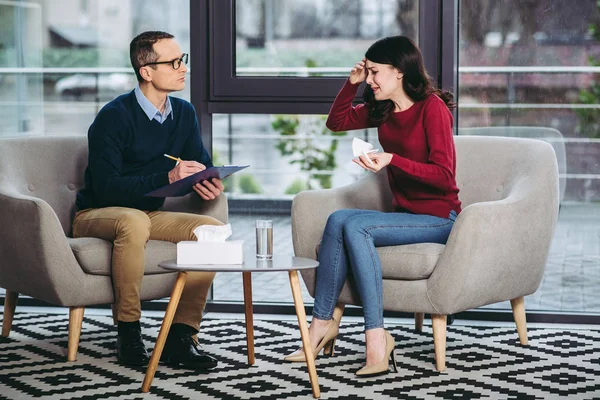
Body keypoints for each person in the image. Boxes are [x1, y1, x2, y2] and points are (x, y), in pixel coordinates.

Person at [285, 36, 462, 376]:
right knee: (338, 219)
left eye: (374, 72)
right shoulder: (382, 109)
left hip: (441, 217)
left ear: (398, 72)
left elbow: (443, 176)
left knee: (355, 225)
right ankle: (321, 326)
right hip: (407, 215)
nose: (370, 80)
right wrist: (349, 86)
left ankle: (376, 337)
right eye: (367, 72)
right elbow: (336, 122)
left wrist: (393, 160)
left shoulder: (432, 109)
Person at [73, 31, 224, 370]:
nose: (183, 68)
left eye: (182, 59)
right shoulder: (113, 117)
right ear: (147, 71)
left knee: (211, 231)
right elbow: (107, 187)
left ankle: (181, 336)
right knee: (134, 219)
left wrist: (206, 182)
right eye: (174, 62)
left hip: (145, 213)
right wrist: (167, 178)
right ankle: (128, 332)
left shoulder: (183, 113)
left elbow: (196, 166)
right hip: (97, 211)